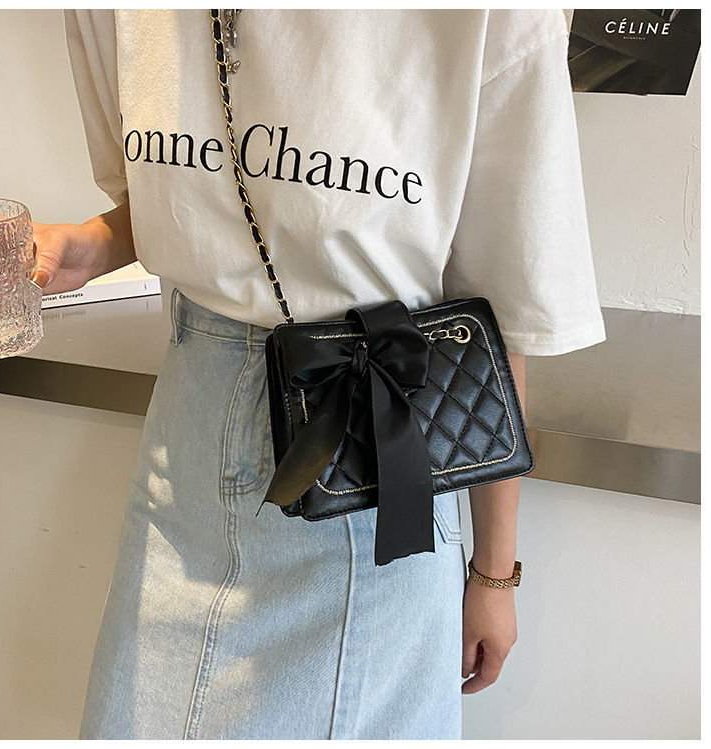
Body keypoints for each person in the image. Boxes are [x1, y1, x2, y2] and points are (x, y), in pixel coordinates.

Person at [32, 9, 606, 740]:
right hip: (183, 458)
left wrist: (494, 572)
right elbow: (176, 202)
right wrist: (91, 244)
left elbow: (497, 311)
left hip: (370, 467)